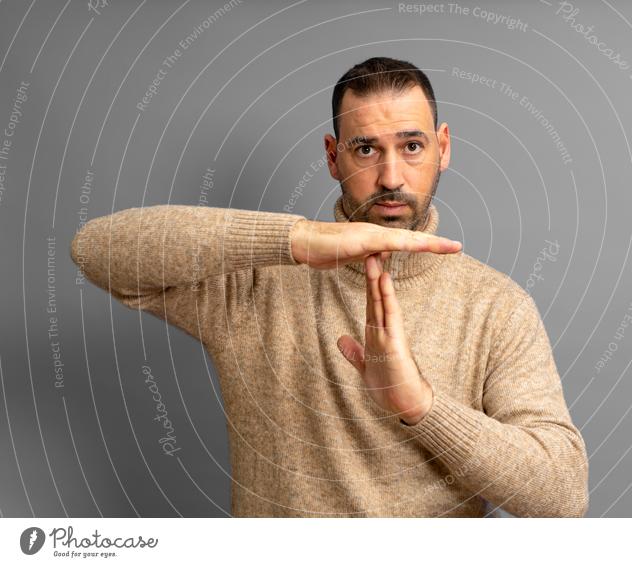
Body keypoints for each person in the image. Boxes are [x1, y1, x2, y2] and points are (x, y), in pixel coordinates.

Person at [70, 56, 589, 517]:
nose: (391, 177)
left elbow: (563, 496)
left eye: (412, 146)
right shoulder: (256, 283)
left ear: (443, 147)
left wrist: (421, 407)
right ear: (332, 156)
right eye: (366, 149)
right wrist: (297, 239)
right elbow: (96, 250)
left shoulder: (496, 306)